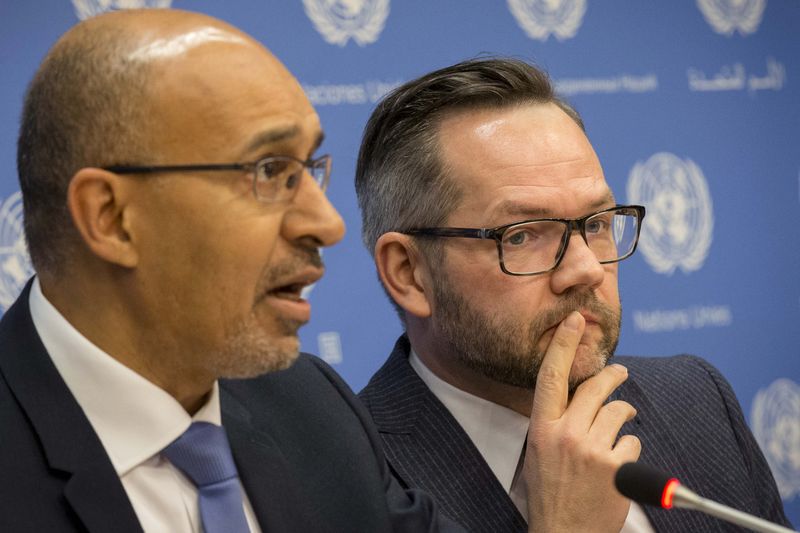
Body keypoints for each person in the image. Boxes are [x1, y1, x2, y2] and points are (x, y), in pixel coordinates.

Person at [0, 9, 459, 532]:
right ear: (112, 218)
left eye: (307, 168)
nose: (328, 225)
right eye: (269, 171)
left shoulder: (309, 408)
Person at [356, 58, 791, 532]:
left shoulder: (697, 401)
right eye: (521, 235)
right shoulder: (343, 479)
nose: (586, 269)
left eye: (598, 224)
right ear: (410, 273)